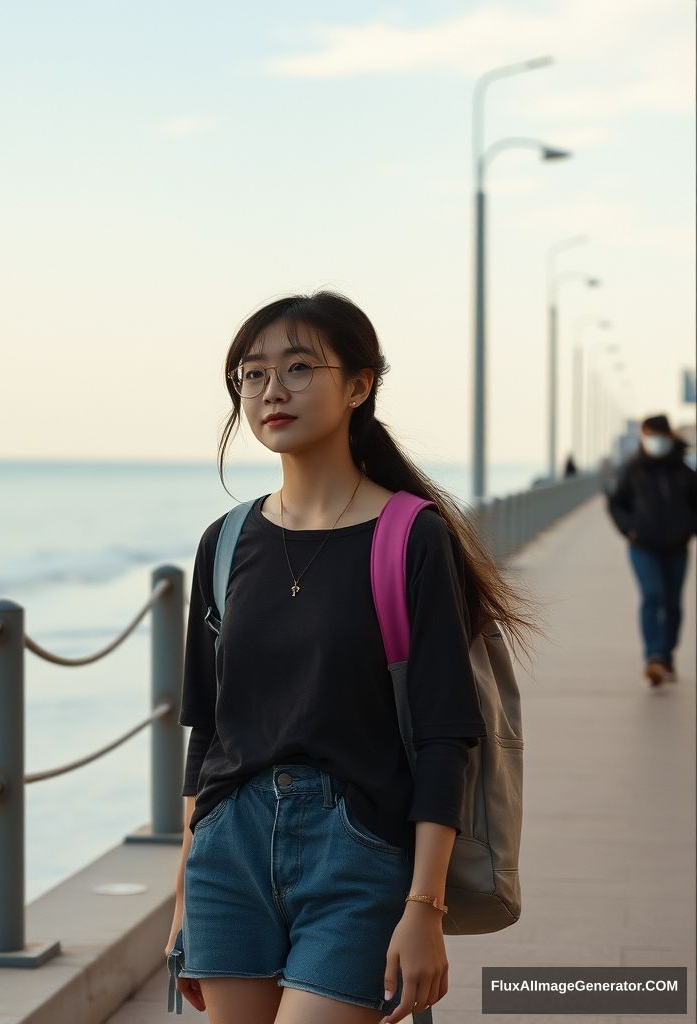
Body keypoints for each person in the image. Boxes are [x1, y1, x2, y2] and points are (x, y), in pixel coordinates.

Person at [165, 291, 540, 1024]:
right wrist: (183, 900)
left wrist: (424, 909)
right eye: (252, 373)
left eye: (299, 367)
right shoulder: (225, 542)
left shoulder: (410, 537)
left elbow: (444, 738)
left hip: (358, 850)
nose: (272, 389)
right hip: (227, 855)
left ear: (360, 385)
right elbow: (206, 734)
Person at [607, 413, 697, 687]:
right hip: (642, 546)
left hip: (677, 547)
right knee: (652, 595)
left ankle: (667, 655)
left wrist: (688, 528)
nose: (655, 442)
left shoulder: (684, 470)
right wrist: (628, 528)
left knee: (672, 603)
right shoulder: (633, 469)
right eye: (649, 436)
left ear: (669, 436)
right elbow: (616, 503)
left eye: (659, 436)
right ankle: (654, 657)